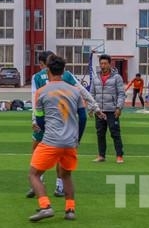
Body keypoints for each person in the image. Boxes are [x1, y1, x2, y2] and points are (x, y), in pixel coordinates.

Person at [28, 50, 99, 198]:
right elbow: (82, 92)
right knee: (61, 154)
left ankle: (38, 184)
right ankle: (60, 188)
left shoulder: (37, 77)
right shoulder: (66, 75)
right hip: (65, 122)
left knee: (37, 151)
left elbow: (34, 98)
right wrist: (94, 106)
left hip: (44, 120)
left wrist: (34, 120)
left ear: (44, 64)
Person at [90, 54, 126, 163]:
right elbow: (91, 94)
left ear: (110, 64)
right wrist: (91, 108)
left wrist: (119, 107)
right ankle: (101, 156)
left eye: (105, 63)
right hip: (99, 111)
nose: (103, 65)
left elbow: (121, 94)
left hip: (112, 110)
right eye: (101, 63)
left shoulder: (117, 77)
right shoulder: (95, 77)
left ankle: (119, 156)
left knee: (115, 133)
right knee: (100, 134)